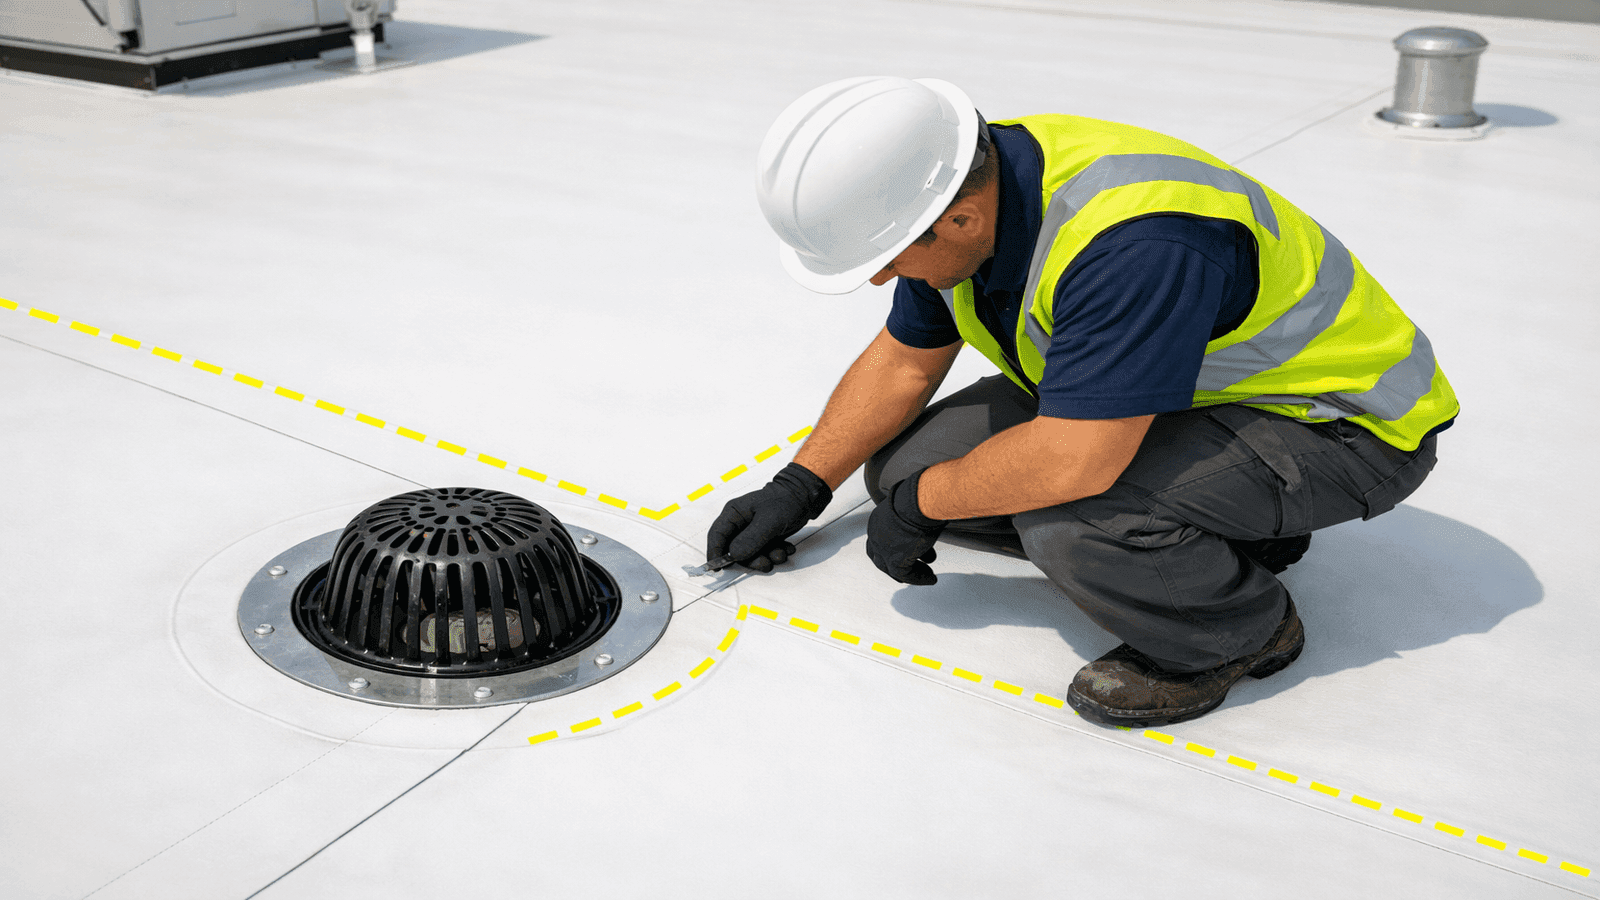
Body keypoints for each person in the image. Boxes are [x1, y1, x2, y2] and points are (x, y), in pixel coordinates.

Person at [706, 77, 1457, 728]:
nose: (881, 280)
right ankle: (1220, 536)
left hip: (1338, 425)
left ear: (958, 221)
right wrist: (799, 486)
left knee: (1070, 513)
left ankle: (1237, 630)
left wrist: (924, 505)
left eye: (886, 261)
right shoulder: (965, 190)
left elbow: (1076, 459)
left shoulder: (1134, 243)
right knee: (903, 466)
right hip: (1197, 393)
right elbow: (906, 360)